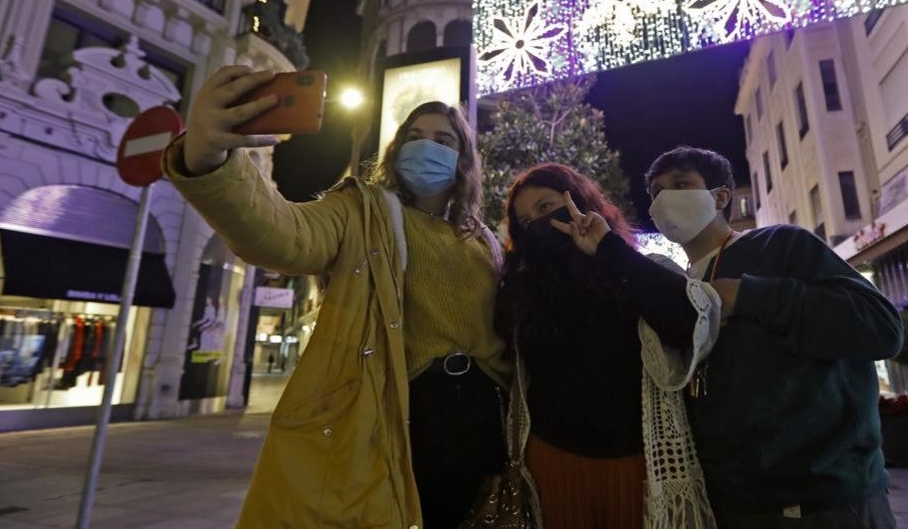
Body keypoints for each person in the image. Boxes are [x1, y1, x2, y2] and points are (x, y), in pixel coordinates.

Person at [162, 66, 508, 528]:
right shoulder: (362, 210)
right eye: (416, 136)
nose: (428, 146)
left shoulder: (482, 238)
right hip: (401, 414)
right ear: (397, 147)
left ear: (463, 159)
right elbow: (283, 233)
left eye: (444, 140)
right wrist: (210, 159)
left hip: (483, 418)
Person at [643, 146, 904, 528]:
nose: (665, 199)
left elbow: (882, 326)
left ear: (721, 196)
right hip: (733, 502)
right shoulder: (683, 285)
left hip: (823, 502)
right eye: (655, 192)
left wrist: (748, 295)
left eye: (681, 184)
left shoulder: (780, 245)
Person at [496, 163, 721, 527]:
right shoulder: (523, 295)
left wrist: (607, 249)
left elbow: (692, 324)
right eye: (524, 222)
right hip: (554, 463)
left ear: (580, 202)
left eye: (545, 206)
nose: (537, 223)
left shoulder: (631, 269)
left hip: (635, 466)